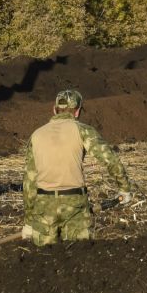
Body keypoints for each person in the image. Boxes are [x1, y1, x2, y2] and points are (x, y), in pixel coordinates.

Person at [22, 89, 131, 245]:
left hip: (43, 205)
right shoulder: (83, 131)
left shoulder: (36, 135)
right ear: (78, 111)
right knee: (79, 256)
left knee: (42, 260)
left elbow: (29, 181)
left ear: (54, 109)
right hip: (75, 204)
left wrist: (28, 221)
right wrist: (124, 188)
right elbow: (110, 160)